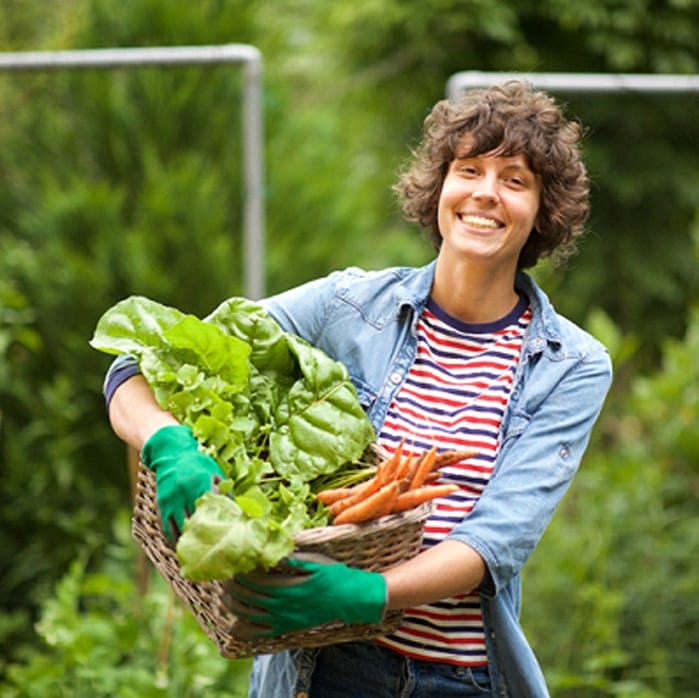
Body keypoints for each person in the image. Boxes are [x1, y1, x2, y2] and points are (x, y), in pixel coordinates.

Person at [103, 80, 612, 697]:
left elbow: (497, 539)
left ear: (542, 210)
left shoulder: (572, 365)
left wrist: (372, 592)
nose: (485, 193)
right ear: (439, 188)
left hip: (462, 680)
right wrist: (166, 437)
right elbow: (140, 363)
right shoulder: (351, 305)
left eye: (514, 179)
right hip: (326, 669)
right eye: (469, 169)